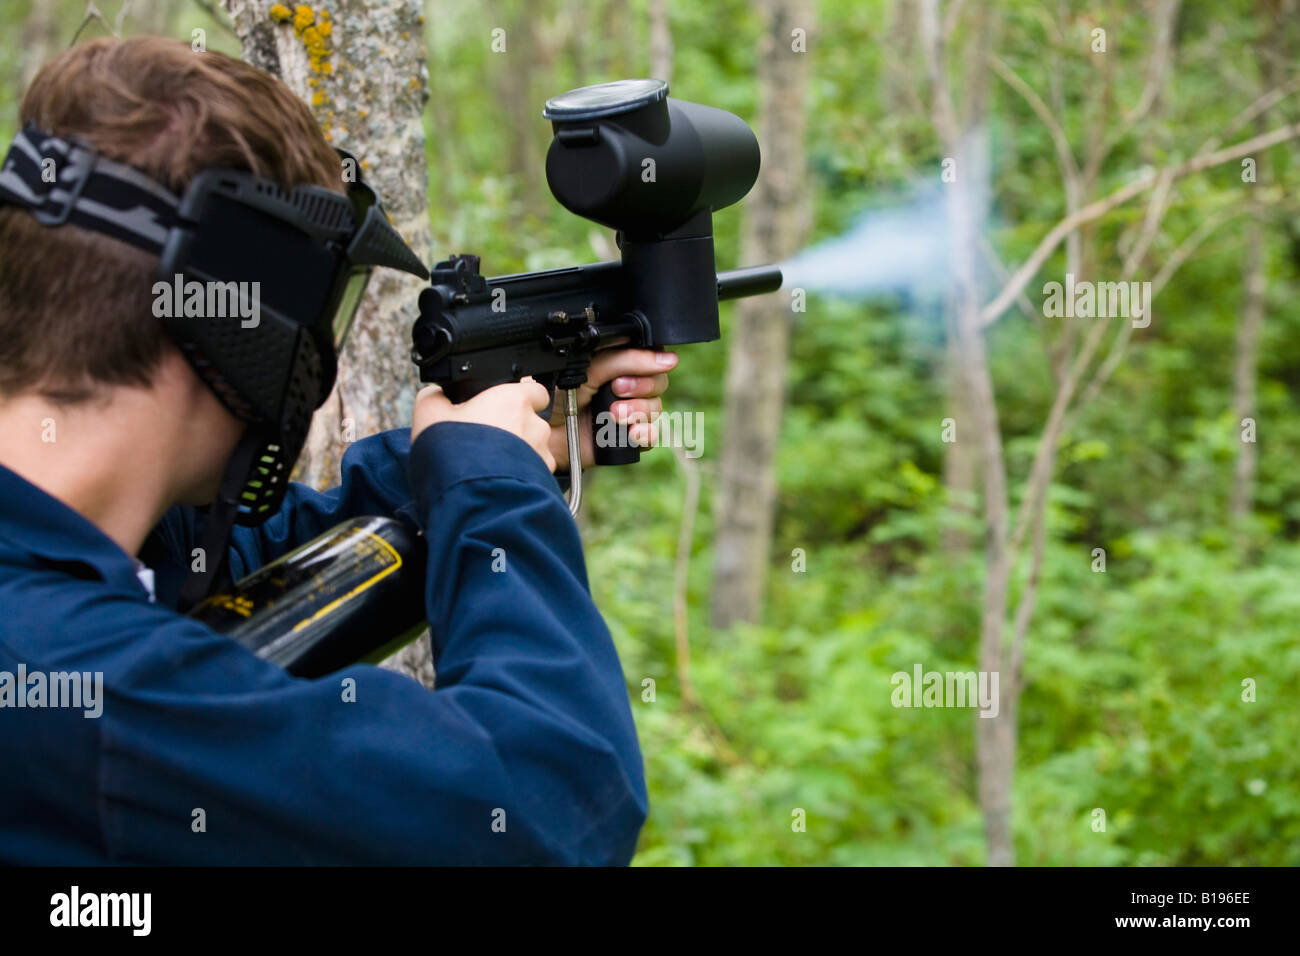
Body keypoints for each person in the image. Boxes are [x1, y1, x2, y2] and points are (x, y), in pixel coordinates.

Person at [0, 36, 674, 864]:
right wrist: (497, 491)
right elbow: (554, 801)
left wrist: (468, 453)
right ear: (249, 329)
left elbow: (240, 568)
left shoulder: (71, 548)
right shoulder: (95, 691)